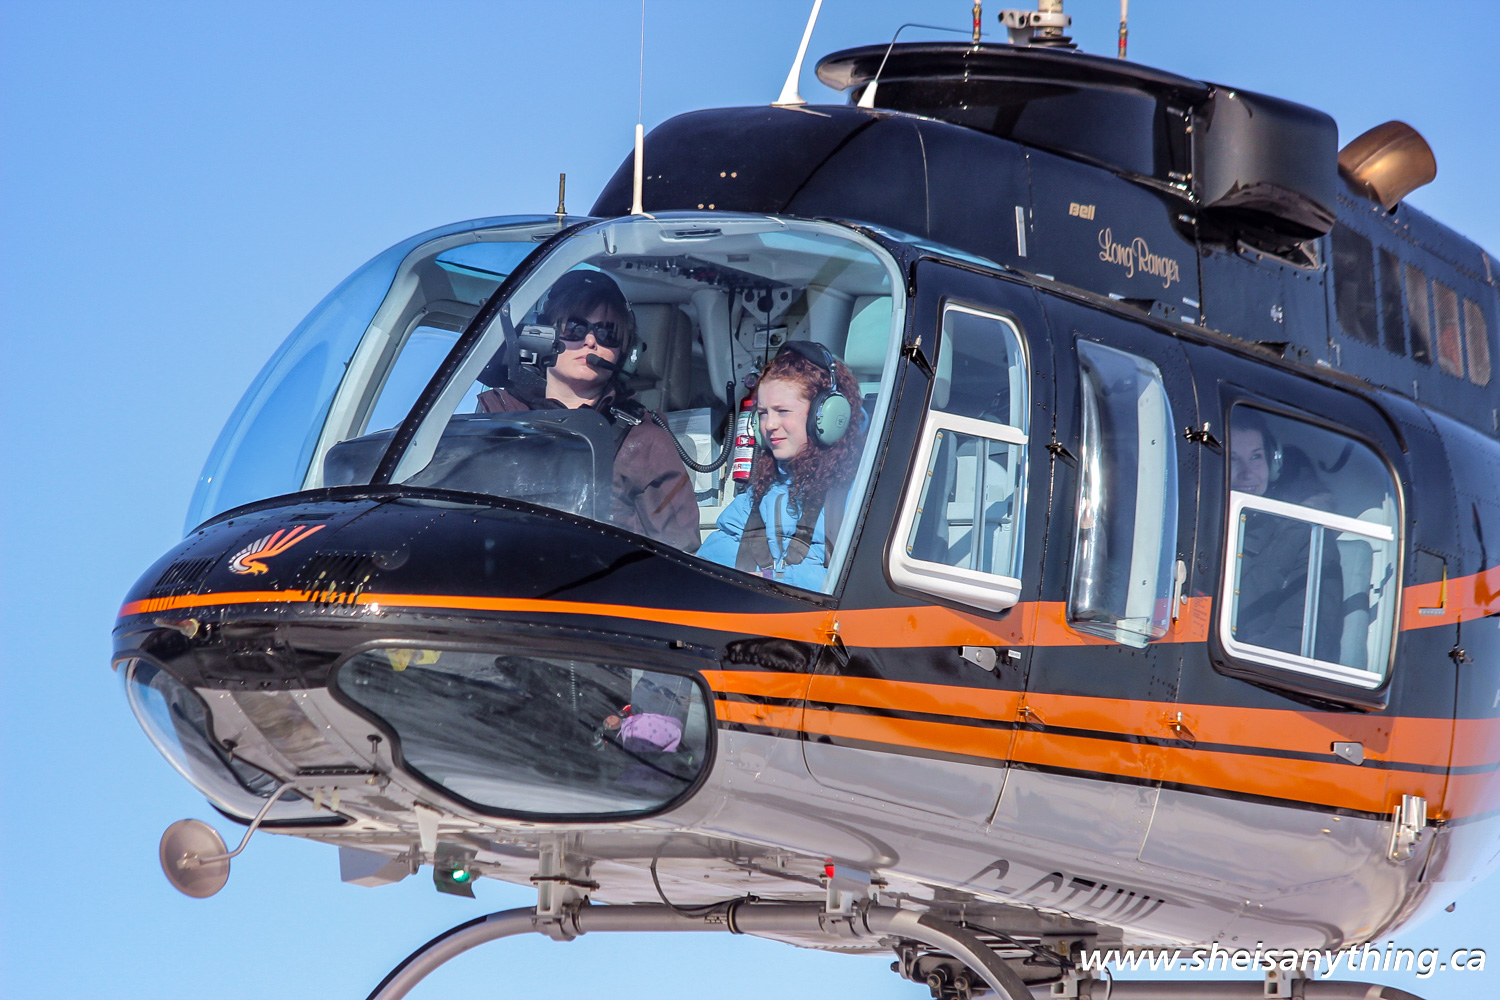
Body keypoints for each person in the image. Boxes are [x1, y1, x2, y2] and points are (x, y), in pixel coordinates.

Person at [475, 270, 699, 551]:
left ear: (626, 353)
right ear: (540, 336)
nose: (591, 341)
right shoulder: (495, 415)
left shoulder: (644, 440)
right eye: (574, 327)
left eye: (608, 333)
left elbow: (679, 551)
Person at [698, 342, 864, 590]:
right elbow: (712, 556)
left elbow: (856, 582)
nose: (769, 424)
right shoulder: (760, 491)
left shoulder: (855, 495)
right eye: (763, 413)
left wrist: (775, 580)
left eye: (783, 411)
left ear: (826, 416)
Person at [1228, 410, 1343, 662]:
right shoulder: (1198, 525)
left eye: (1256, 457)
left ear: (1273, 463)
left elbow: (1303, 642)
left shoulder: (1309, 537)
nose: (1246, 473)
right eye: (1233, 459)